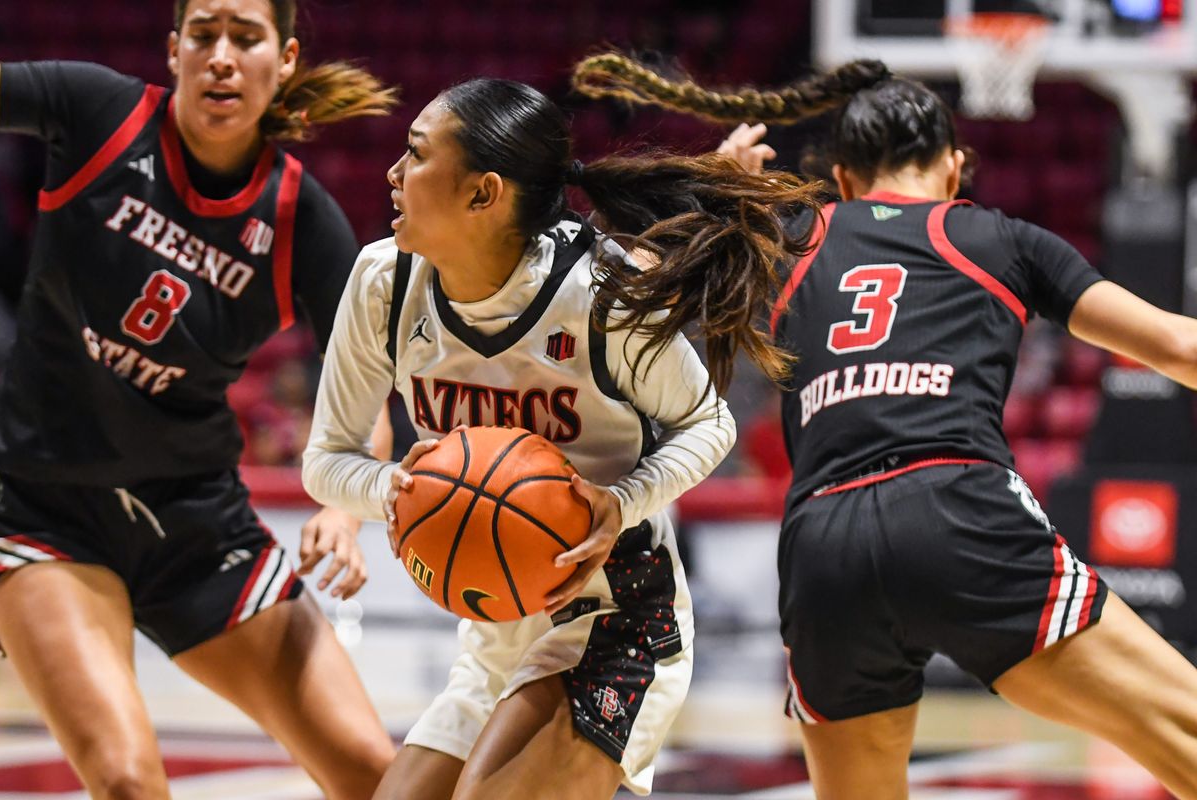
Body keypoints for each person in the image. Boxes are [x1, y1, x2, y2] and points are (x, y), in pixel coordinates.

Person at [571, 54, 1197, 800]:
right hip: (958, 511)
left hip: (824, 542)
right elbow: (1179, 347)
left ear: (840, 179)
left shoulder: (789, 234)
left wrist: (718, 185)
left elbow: (611, 285)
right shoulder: (997, 238)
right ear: (956, 168)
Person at [302, 77, 820, 799]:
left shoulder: (596, 296)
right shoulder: (383, 285)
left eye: (415, 156)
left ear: (483, 193)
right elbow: (327, 463)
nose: (392, 174)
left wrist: (621, 501)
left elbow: (710, 422)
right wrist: (395, 486)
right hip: (497, 629)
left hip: (619, 612)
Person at [0, 1, 401, 797]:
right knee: (125, 780)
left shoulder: (303, 220)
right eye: (205, 34)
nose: (222, 56)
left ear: (282, 62)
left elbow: (365, 406)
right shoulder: (99, 112)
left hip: (194, 523)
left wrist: (343, 512)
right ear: (174, 48)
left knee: (378, 777)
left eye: (245, 38)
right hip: (44, 511)